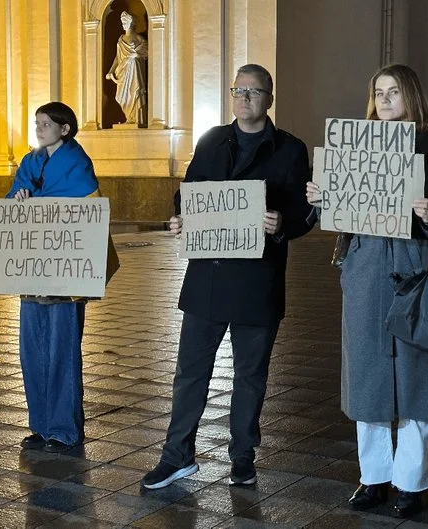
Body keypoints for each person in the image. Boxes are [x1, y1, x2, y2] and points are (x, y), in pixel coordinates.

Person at [141, 64, 316, 489]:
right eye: (238, 90)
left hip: (258, 280)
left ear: (269, 99)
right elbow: (188, 193)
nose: (244, 97)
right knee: (190, 373)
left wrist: (282, 223)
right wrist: (181, 217)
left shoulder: (290, 149)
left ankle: (242, 456)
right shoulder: (211, 140)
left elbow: (306, 210)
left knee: (250, 375)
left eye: (253, 91)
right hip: (208, 277)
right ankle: (176, 455)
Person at [306, 64, 428, 518]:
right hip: (364, 274)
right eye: (378, 92)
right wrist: (321, 198)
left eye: (394, 91)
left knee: (418, 378)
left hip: (415, 274)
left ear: (411, 96)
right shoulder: (353, 149)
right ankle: (373, 477)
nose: (385, 100)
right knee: (367, 378)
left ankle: (411, 483)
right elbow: (337, 215)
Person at [6, 102, 99, 453]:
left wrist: (36, 200)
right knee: (32, 353)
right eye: (37, 123)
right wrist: (19, 198)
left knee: (62, 353)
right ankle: (41, 427)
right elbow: (12, 201)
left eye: (46, 123)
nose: (39, 128)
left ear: (65, 129)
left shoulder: (77, 162)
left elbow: (83, 206)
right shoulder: (30, 162)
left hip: (65, 276)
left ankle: (65, 430)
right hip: (33, 270)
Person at [106, 11, 148, 126]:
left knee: (135, 93)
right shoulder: (121, 39)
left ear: (132, 23)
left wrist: (135, 55)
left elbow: (146, 52)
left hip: (134, 70)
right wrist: (111, 71)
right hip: (123, 71)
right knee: (122, 96)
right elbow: (117, 57)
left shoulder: (139, 38)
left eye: (126, 22)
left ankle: (137, 119)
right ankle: (129, 118)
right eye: (122, 22)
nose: (123, 24)